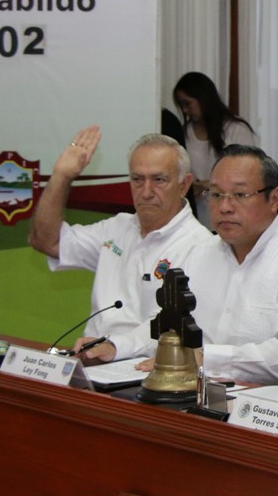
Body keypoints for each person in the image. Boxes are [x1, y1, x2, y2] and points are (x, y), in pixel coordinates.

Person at [80, 144, 278, 396]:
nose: (225, 206)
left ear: (273, 199)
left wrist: (206, 359)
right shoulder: (203, 252)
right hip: (209, 403)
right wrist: (115, 346)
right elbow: (169, 323)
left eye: (239, 195)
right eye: (216, 195)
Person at [28, 126, 213, 352]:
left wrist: (114, 347)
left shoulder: (200, 245)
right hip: (93, 359)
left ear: (184, 184)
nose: (146, 191)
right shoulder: (117, 228)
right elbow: (46, 241)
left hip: (148, 371)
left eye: (159, 180)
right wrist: (61, 176)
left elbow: (173, 324)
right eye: (137, 179)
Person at [173, 71, 258, 229]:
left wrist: (207, 184)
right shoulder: (184, 134)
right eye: (181, 105)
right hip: (197, 219)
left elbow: (249, 176)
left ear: (203, 99)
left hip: (233, 215)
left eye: (187, 103)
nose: (185, 110)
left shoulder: (236, 130)